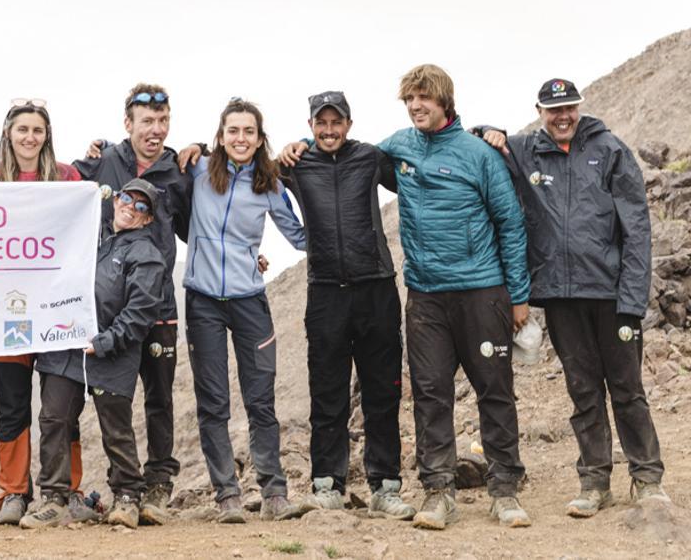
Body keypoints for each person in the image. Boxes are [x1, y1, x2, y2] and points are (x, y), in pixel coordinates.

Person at [283, 64, 532, 530]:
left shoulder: (478, 153)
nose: (416, 106)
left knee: (495, 391)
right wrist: (297, 144)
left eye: (425, 98)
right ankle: (439, 492)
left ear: (444, 102)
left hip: (482, 290)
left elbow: (512, 224)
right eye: (410, 99)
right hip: (425, 294)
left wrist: (519, 297)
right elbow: (328, 152)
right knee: (431, 394)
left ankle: (504, 490)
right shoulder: (396, 148)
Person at [476, 78, 665, 516]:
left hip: (612, 296)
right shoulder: (525, 152)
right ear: (539, 111)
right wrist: (489, 130)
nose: (562, 117)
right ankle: (595, 482)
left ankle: (647, 478)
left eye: (569, 108)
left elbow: (637, 230)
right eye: (552, 109)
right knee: (582, 390)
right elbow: (482, 137)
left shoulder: (611, 150)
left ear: (578, 108)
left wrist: (633, 299)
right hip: (560, 297)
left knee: (627, 389)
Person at [276, 91, 415, 520]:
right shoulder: (296, 165)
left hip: (376, 288)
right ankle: (328, 485)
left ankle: (385, 486)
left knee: (381, 391)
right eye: (322, 123)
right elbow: (242, 162)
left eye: (337, 122)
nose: (330, 130)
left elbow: (415, 162)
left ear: (349, 125)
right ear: (312, 125)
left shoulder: (370, 158)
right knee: (328, 392)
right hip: (325, 292)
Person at [182, 98, 306, 524]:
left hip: (250, 302)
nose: (240, 138)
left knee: (260, 400)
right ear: (220, 136)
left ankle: (274, 493)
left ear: (259, 138)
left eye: (248, 132)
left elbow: (299, 235)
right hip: (202, 301)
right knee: (213, 402)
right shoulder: (198, 170)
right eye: (232, 131)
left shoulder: (269, 183)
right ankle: (227, 497)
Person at [74, 83, 192, 525]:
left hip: (159, 307)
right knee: (113, 402)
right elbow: (61, 193)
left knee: (160, 399)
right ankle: (125, 488)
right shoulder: (105, 161)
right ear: (129, 123)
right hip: (108, 314)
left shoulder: (179, 170)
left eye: (163, 121)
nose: (156, 130)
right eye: (147, 121)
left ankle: (158, 486)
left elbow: (203, 223)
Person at [22, 178, 165, 530]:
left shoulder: (147, 254)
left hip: (112, 355)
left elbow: (141, 311)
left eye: (142, 206)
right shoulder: (85, 233)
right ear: (114, 199)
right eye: (126, 198)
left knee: (115, 427)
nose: (131, 206)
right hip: (64, 348)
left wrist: (106, 342)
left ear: (148, 219)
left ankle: (128, 496)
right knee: (54, 419)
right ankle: (54, 499)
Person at [0, 99, 91, 526]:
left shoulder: (67, 178)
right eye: (22, 129)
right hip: (4, 312)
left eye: (37, 130)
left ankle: (68, 489)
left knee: (61, 406)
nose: (30, 137)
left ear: (47, 135)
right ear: (8, 133)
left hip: (57, 311)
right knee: (11, 405)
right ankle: (13, 492)